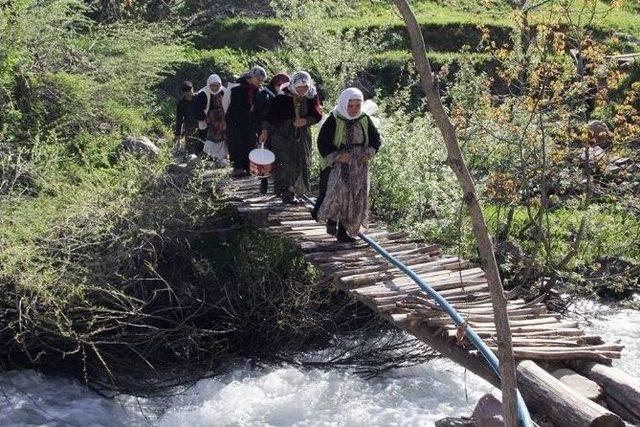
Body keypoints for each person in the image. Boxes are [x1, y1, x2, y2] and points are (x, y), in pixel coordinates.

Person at [314, 88, 382, 243]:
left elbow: (375, 139)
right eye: (350, 106)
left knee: (354, 197)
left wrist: (369, 152)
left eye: (357, 106)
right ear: (344, 104)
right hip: (339, 163)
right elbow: (322, 142)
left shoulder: (364, 119)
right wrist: (338, 156)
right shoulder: (335, 119)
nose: (353, 110)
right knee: (338, 194)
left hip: (359, 165)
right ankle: (332, 220)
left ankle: (343, 232)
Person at [261, 71, 323, 204]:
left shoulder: (311, 96)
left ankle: (296, 189)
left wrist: (306, 121)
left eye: (305, 87)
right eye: (300, 87)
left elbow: (317, 115)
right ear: (293, 85)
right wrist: (265, 131)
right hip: (282, 135)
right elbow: (269, 116)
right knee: (284, 163)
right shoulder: (281, 98)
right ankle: (286, 192)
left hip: (301, 136)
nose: (302, 90)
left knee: (301, 162)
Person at [226, 65, 267, 177]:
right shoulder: (237, 87)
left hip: (250, 122)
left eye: (262, 80)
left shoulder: (258, 90)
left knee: (249, 143)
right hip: (236, 122)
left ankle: (248, 167)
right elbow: (233, 107)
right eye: (258, 79)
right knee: (237, 144)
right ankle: (238, 168)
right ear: (252, 76)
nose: (260, 82)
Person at [254, 72, 291, 194]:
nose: (281, 87)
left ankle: (280, 186)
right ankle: (263, 184)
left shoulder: (286, 96)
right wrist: (261, 130)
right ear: (274, 84)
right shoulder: (264, 94)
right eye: (279, 84)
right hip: (266, 129)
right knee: (265, 157)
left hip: (280, 131)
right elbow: (258, 114)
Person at [198, 74, 228, 166]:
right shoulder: (203, 93)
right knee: (211, 139)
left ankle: (222, 157)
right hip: (210, 120)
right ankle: (214, 157)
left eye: (217, 85)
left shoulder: (224, 91)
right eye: (213, 86)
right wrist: (204, 118)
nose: (215, 88)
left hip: (222, 119)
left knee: (223, 138)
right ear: (208, 85)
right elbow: (199, 108)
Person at [174, 81, 199, 153]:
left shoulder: (199, 98)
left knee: (202, 145)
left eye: (189, 91)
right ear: (183, 92)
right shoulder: (181, 103)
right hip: (189, 127)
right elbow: (179, 119)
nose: (188, 93)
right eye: (186, 92)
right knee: (190, 148)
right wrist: (178, 134)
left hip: (201, 125)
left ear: (192, 89)